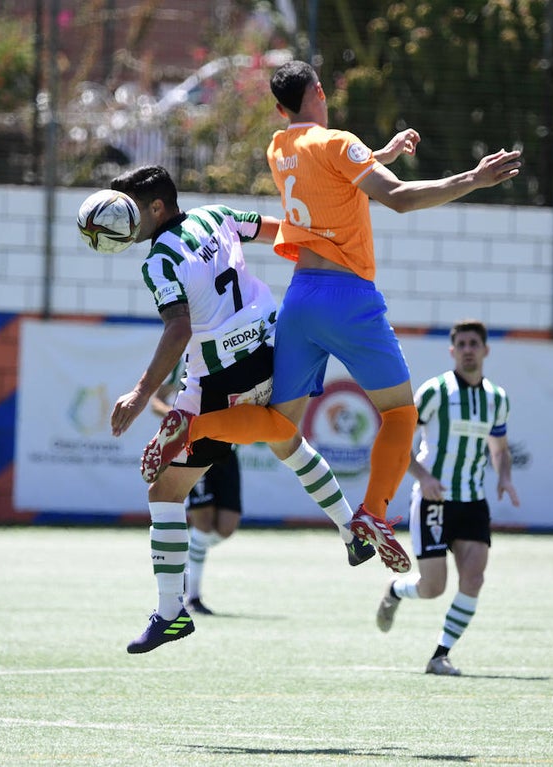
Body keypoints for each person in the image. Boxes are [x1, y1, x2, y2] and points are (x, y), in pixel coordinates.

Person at [141, 60, 522, 576]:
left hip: (300, 298)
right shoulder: (339, 142)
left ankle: (191, 423)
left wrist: (377, 155)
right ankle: (374, 514)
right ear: (320, 91)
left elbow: (327, 183)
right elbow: (401, 199)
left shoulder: (279, 148)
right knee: (399, 414)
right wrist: (472, 179)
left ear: (279, 109)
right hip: (349, 298)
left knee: (280, 426)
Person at [107, 166, 374, 654]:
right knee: (286, 441)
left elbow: (179, 329)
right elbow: (280, 231)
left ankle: (170, 612)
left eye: (129, 211)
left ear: (157, 208)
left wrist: (142, 392)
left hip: (219, 376)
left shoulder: (157, 261)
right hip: (273, 349)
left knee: (164, 492)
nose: (123, 221)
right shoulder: (217, 216)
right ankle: (350, 528)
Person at [374, 320, 519, 676]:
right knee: (433, 587)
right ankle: (395, 590)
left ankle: (440, 655)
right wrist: (423, 478)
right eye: (462, 344)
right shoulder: (436, 391)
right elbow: (397, 437)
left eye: (475, 343)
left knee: (474, 579)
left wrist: (504, 477)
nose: (469, 349)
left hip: (472, 502)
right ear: (452, 351)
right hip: (434, 502)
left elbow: (499, 449)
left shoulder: (497, 399)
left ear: (486, 350)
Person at [149, 364, 242, 616]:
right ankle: (193, 596)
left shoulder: (238, 349)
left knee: (226, 527)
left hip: (226, 448)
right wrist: (183, 422)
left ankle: (186, 565)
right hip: (194, 448)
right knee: (203, 521)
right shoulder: (184, 357)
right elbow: (155, 401)